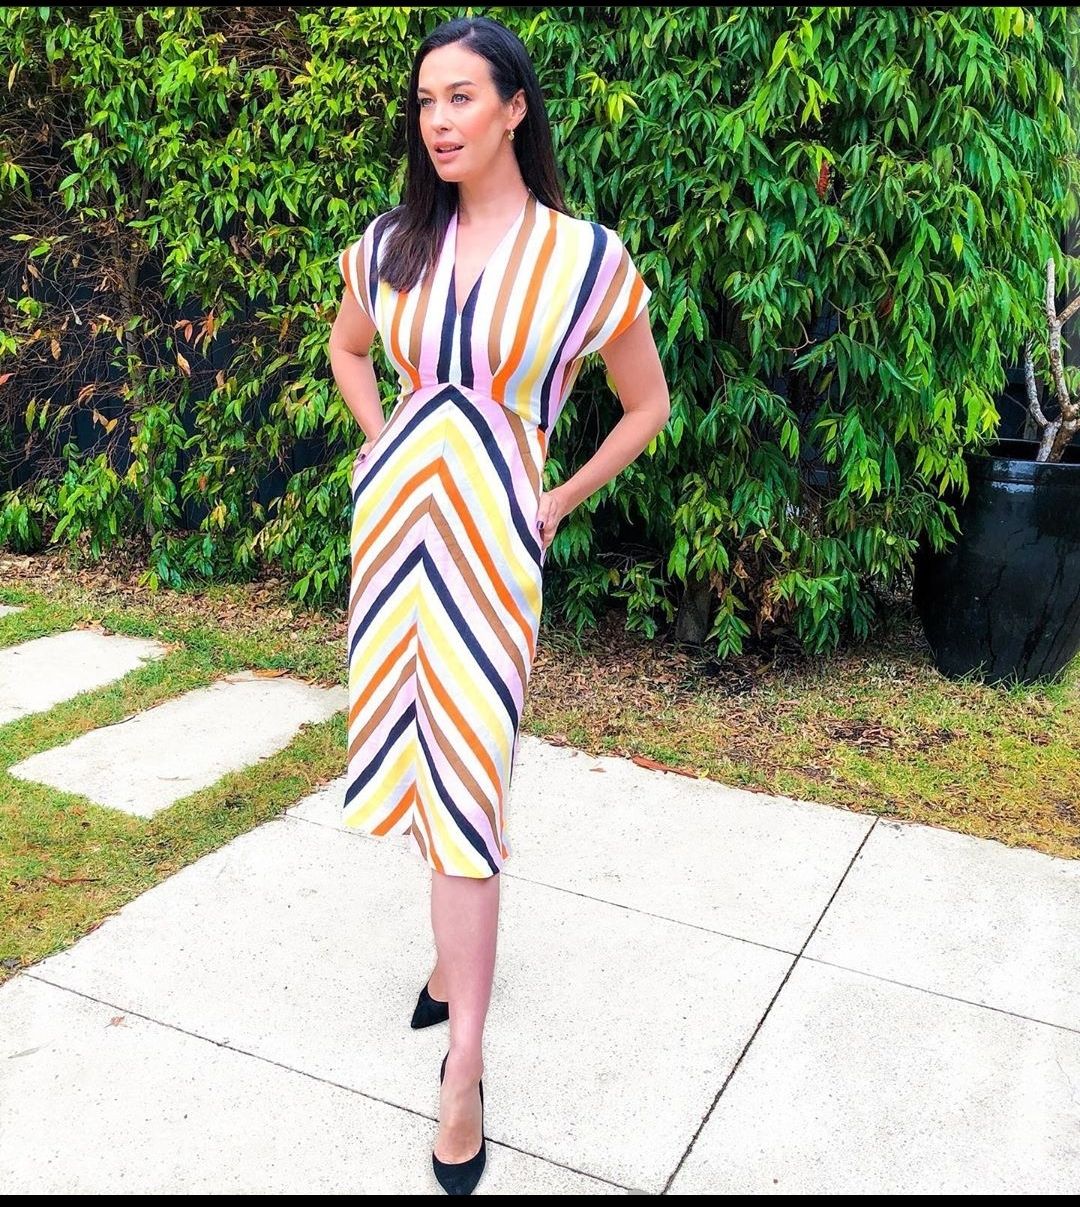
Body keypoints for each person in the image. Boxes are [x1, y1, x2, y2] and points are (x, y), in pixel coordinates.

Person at [329, 14, 670, 1196]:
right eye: (426, 101)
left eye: (462, 97)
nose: (440, 121)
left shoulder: (585, 259)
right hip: (393, 537)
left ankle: (464, 1068)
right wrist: (384, 443)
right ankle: (447, 968)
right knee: (417, 755)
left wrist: (558, 498)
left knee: (469, 780)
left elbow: (646, 404)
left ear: (515, 107)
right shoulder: (391, 243)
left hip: (490, 547)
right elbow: (351, 351)